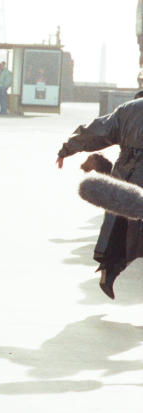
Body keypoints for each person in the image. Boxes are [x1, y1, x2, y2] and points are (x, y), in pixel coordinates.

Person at [57, 92, 143, 298]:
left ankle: (108, 271)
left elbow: (96, 131)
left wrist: (67, 149)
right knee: (134, 234)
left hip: (124, 177)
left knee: (118, 229)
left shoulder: (127, 109)